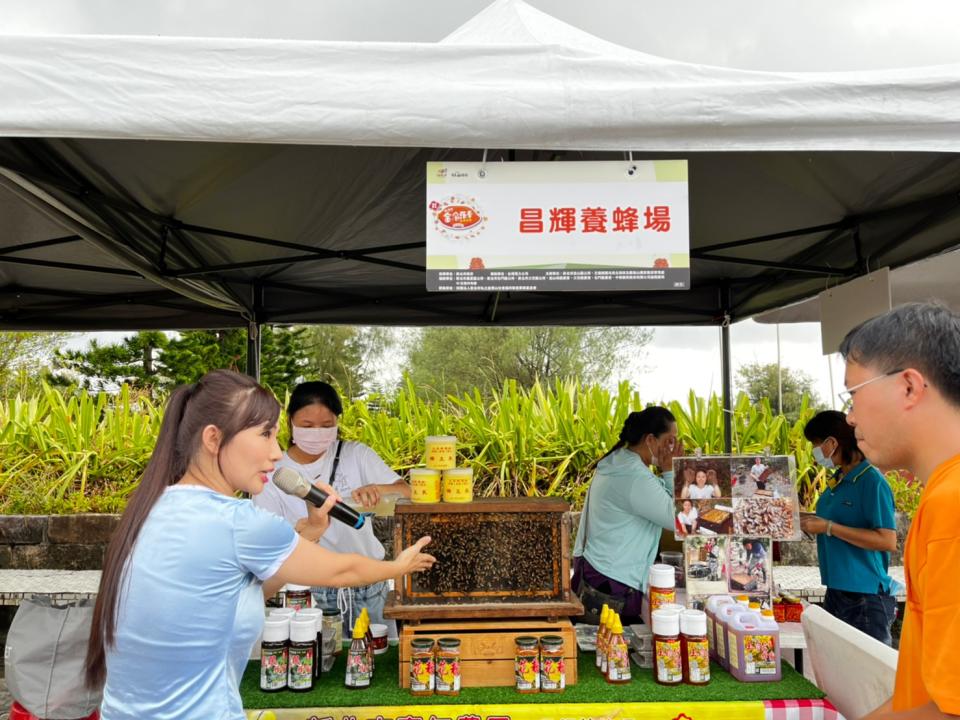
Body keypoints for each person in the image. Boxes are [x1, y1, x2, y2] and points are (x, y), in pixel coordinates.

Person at [84, 370, 434, 720]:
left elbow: (240, 594)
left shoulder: (152, 508)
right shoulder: (237, 521)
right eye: (266, 434)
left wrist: (312, 529)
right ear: (212, 438)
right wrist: (398, 566)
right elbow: (343, 569)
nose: (276, 452)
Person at [837, 303, 960, 720]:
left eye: (853, 394)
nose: (849, 417)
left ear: (909, 386)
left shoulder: (952, 506)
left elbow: (948, 710)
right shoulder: (943, 495)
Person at [253, 381, 410, 631]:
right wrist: (309, 529)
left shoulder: (356, 454)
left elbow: (408, 492)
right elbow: (268, 548)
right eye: (307, 426)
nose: (317, 432)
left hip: (369, 585)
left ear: (337, 422)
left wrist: (380, 490)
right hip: (308, 590)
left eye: (326, 426)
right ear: (290, 421)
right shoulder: (274, 473)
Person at [572, 407, 683, 623]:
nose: (674, 448)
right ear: (650, 439)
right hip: (612, 580)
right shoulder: (634, 476)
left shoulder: (620, 463)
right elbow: (678, 519)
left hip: (599, 570)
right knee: (615, 648)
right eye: (670, 441)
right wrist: (670, 470)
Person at [799, 410, 897, 645]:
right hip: (835, 590)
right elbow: (832, 519)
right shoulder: (839, 480)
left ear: (832, 443)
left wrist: (829, 527)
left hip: (864, 596)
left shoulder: (872, 481)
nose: (814, 453)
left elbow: (887, 540)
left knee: (866, 676)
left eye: (816, 445)